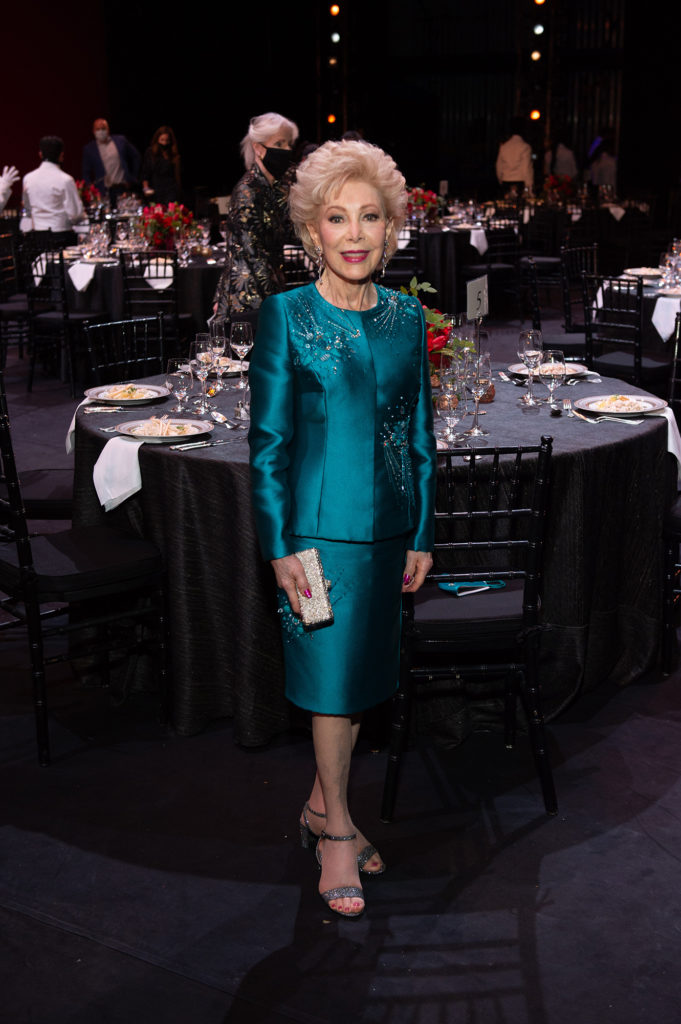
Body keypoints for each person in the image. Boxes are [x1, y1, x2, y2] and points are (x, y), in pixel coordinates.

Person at [248, 140, 437, 918]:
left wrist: (422, 532)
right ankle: (336, 834)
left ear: (392, 230)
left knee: (360, 684)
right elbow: (267, 446)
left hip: (389, 535)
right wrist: (280, 544)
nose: (354, 233)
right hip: (316, 539)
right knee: (331, 689)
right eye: (336, 218)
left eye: (369, 217)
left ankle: (323, 804)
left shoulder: (407, 317)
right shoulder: (285, 316)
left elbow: (420, 438)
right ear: (310, 233)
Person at [212, 112, 298, 320]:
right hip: (248, 299)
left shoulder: (276, 186)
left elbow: (290, 232)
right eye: (279, 143)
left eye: (289, 144)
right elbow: (253, 254)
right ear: (258, 148)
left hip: (269, 291)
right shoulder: (247, 191)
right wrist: (279, 303)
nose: (286, 150)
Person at [21, 136, 83, 232]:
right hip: (62, 235)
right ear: (61, 155)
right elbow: (75, 214)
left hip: (37, 236)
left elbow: (27, 208)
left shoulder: (28, 178)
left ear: (40, 154)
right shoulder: (66, 180)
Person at [81, 118, 141, 206]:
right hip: (103, 192)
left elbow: (136, 156)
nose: (101, 131)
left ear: (108, 129)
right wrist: (91, 190)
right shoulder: (89, 149)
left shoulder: (120, 141)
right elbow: (85, 172)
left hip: (122, 188)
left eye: (103, 128)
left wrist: (132, 177)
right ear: (93, 131)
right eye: (98, 129)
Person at [141, 126, 181, 205]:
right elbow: (145, 172)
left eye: (167, 140)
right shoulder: (150, 153)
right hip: (155, 191)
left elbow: (177, 176)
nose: (164, 143)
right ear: (157, 139)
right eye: (162, 140)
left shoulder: (173, 155)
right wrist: (145, 188)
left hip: (170, 191)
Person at [495, 117, 534, 194]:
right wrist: (529, 186)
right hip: (520, 182)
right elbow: (526, 168)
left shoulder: (504, 146)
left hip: (506, 180)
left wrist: (500, 179)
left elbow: (499, 165)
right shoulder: (525, 146)